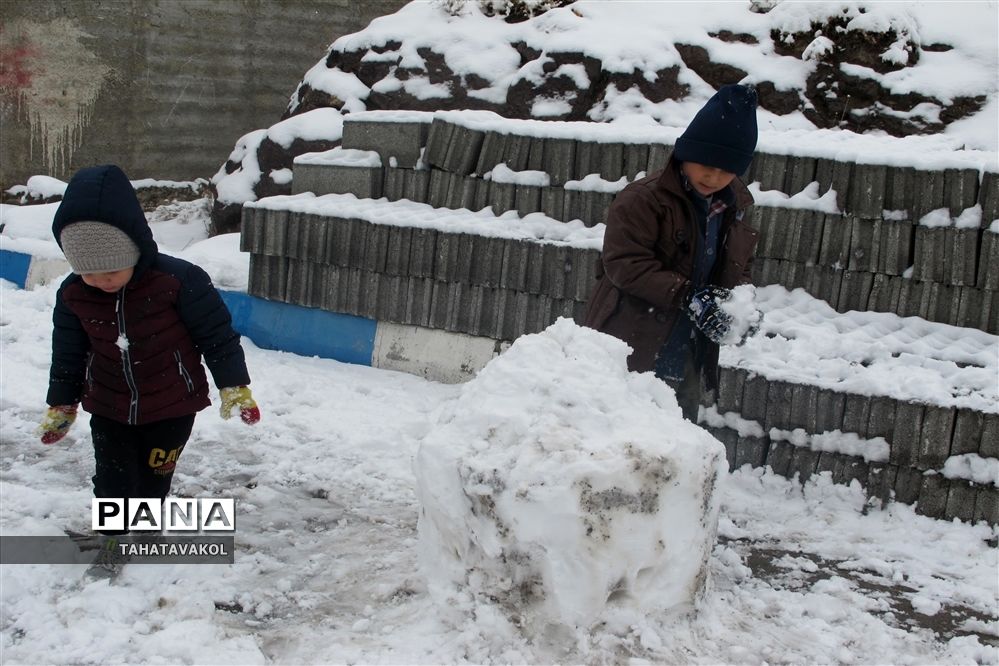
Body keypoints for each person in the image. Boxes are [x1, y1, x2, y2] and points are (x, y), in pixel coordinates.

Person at [38, 164, 261, 532]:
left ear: (135, 248)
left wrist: (233, 385)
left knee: (153, 479)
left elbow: (217, 336)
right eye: (89, 272)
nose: (101, 281)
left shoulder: (179, 281)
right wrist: (63, 402)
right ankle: (110, 534)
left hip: (172, 404)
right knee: (112, 480)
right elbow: (68, 352)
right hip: (109, 403)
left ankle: (146, 526)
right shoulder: (73, 293)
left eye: (112, 270)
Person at [583, 84, 760, 422]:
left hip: (688, 348)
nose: (713, 176)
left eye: (727, 169)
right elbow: (624, 264)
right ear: (684, 152)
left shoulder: (732, 205)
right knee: (620, 435)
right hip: (630, 337)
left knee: (676, 442)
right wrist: (688, 295)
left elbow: (739, 263)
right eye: (706, 163)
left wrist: (737, 304)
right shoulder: (643, 199)